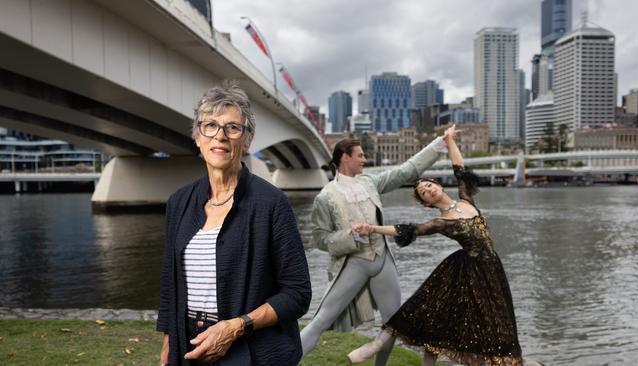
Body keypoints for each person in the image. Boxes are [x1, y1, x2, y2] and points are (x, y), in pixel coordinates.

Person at [157, 80, 311, 366]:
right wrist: (168, 345)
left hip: (252, 353)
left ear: (247, 139)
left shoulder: (271, 204)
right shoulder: (178, 203)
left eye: (233, 127)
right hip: (188, 348)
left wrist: (236, 327)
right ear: (198, 136)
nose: (220, 136)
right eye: (210, 125)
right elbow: (170, 283)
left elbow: (297, 293)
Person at [346, 124, 523, 366]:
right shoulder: (442, 222)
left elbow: (460, 169)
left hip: (491, 272)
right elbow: (408, 230)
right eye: (423, 192)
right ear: (427, 203)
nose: (428, 190)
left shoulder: (466, 199)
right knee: (431, 314)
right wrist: (373, 228)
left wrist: (449, 140)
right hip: (465, 271)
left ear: (437, 185)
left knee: (490, 326)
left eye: (428, 185)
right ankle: (376, 344)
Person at [300, 136, 446, 366]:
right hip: (353, 264)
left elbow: (404, 172)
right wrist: (350, 236)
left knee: (392, 324)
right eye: (360, 155)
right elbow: (320, 239)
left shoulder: (369, 182)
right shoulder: (325, 197)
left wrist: (438, 145)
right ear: (345, 157)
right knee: (321, 321)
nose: (364, 160)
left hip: (382, 259)